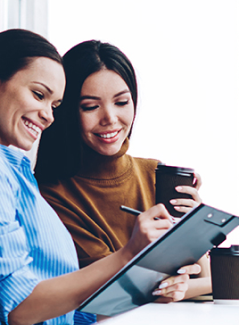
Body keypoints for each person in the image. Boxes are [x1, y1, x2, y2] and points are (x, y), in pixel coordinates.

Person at [0, 30, 199, 325]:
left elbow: (57, 307)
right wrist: (129, 254)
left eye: (54, 105)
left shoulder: (7, 168)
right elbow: (18, 308)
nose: (48, 116)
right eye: (39, 95)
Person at [35, 39, 211, 297]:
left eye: (121, 102)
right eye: (90, 107)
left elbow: (212, 283)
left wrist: (195, 230)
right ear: (67, 111)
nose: (110, 118)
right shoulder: (52, 194)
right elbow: (112, 292)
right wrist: (180, 286)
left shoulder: (155, 173)